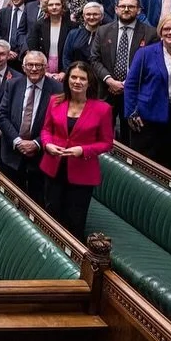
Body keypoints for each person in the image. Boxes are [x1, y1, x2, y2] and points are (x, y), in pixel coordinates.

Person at [38, 62, 114, 240]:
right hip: (53, 167)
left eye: (82, 78)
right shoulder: (55, 101)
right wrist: (47, 144)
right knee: (51, 214)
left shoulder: (102, 109)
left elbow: (106, 143)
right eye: (73, 77)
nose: (77, 81)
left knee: (74, 220)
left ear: (89, 82)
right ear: (67, 79)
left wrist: (83, 150)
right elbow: (46, 130)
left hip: (82, 173)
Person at [123, 14, 171, 169]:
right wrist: (130, 112)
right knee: (145, 165)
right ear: (160, 31)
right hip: (149, 115)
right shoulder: (145, 53)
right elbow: (131, 85)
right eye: (166, 28)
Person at [0, 50, 62, 198]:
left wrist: (36, 143)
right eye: (30, 65)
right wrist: (18, 141)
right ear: (24, 67)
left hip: (40, 156)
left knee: (36, 202)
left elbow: (58, 125)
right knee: (10, 198)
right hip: (12, 153)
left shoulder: (57, 90)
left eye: (38, 65)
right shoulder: (12, 84)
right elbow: (2, 116)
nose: (34, 69)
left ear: (46, 68)